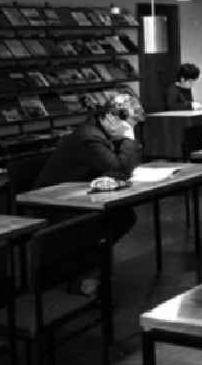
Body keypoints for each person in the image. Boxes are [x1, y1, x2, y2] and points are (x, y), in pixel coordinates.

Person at [33, 91, 145, 295]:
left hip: (81, 196)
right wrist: (129, 138)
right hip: (55, 203)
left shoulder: (104, 132)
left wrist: (124, 151)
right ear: (111, 117)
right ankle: (84, 276)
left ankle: (92, 270)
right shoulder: (89, 137)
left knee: (124, 216)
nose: (130, 130)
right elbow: (119, 168)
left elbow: (121, 167)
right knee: (111, 220)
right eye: (128, 124)